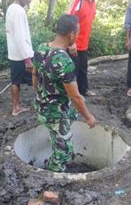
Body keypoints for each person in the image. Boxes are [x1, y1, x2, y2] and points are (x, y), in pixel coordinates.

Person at [32, 15, 97, 172]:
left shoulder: (41, 48)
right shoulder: (64, 61)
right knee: (65, 151)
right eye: (77, 33)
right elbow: (75, 97)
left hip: (40, 105)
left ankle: (60, 134)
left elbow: (34, 74)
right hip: (54, 113)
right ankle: (52, 174)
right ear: (71, 34)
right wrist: (88, 117)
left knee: (72, 113)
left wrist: (41, 95)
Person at [67, 0, 107, 97]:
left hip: (84, 43)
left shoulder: (93, 1)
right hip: (73, 43)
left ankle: (83, 90)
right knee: (72, 70)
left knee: (83, 68)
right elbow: (68, 20)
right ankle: (71, 95)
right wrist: (71, 42)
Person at [5, 0, 35, 116]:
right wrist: (27, 59)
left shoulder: (12, 8)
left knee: (15, 81)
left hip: (14, 54)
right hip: (23, 55)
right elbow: (20, 37)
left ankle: (16, 107)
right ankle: (43, 105)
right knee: (37, 79)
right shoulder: (18, 11)